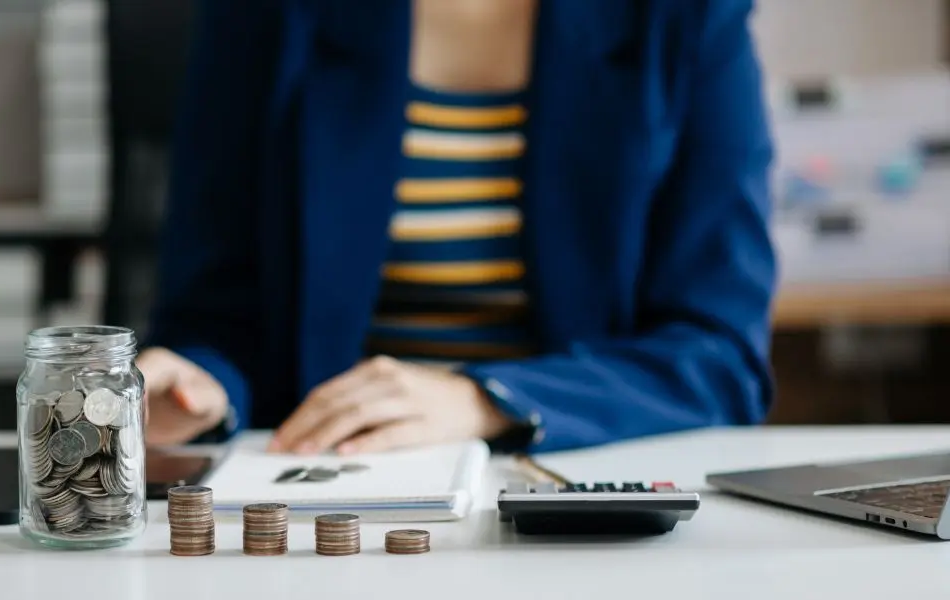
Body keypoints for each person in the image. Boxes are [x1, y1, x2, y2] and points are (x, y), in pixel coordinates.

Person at [135, 0, 777, 456]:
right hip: (327, 488)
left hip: (571, 484)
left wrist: (485, 400)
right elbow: (217, 313)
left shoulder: (688, 15)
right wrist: (199, 385)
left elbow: (719, 354)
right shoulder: (268, 14)